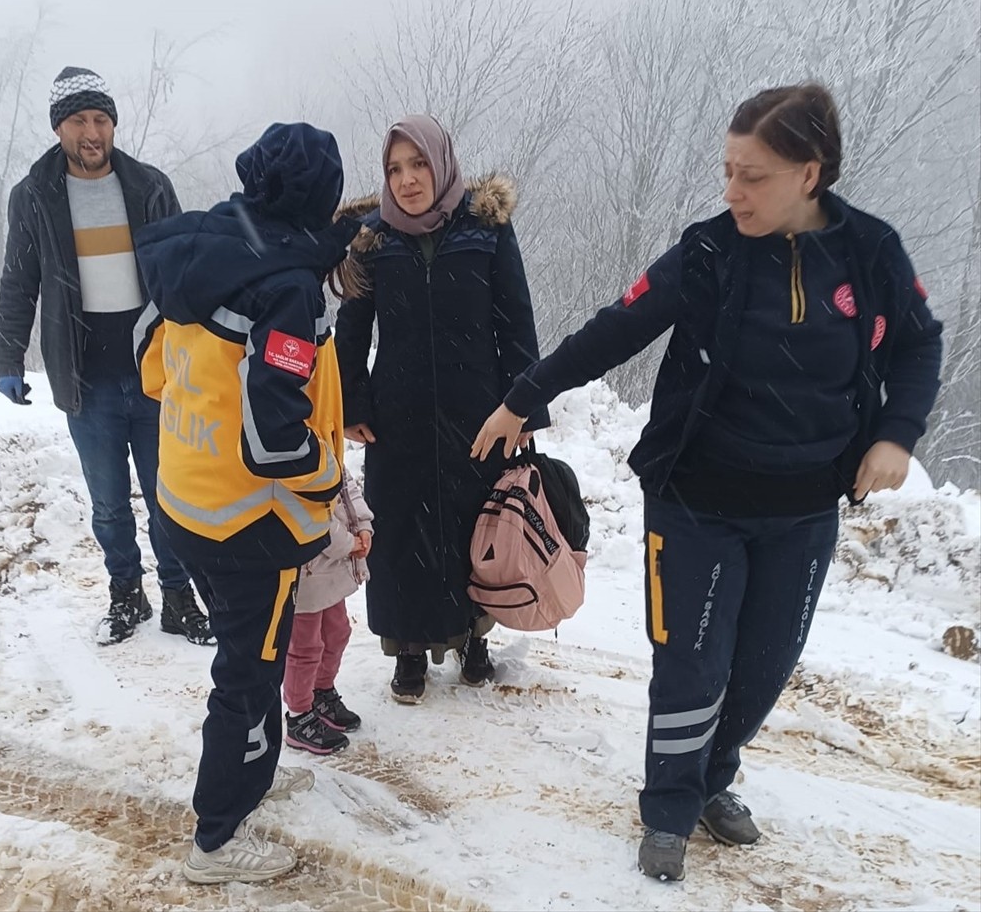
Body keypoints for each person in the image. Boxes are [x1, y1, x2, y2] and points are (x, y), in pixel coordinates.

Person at [471, 83, 943, 882]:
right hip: (694, 500)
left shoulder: (870, 253)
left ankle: (714, 774)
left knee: (764, 664)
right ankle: (669, 806)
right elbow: (615, 327)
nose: (732, 192)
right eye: (727, 171)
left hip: (803, 508)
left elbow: (920, 345)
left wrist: (897, 434)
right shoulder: (709, 253)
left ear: (810, 173)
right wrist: (525, 395)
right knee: (690, 660)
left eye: (751, 175)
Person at [134, 121, 362, 883]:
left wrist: (326, 241)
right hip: (251, 527)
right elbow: (272, 439)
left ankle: (242, 783)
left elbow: (150, 359)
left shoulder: (202, 244)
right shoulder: (288, 291)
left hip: (185, 501)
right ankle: (218, 836)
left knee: (247, 665)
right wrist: (327, 477)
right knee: (248, 676)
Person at [0, 65, 213, 648]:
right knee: (110, 505)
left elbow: (184, 272)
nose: (91, 132)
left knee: (170, 497)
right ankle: (125, 593)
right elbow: (20, 281)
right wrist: (8, 359)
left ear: (112, 125)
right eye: (78, 120)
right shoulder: (34, 196)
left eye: (100, 119)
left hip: (156, 374)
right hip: (84, 378)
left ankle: (177, 596)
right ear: (59, 128)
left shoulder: (149, 187)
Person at [334, 114, 549, 704]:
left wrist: (522, 405)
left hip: (477, 414)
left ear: (442, 163)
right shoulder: (373, 240)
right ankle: (406, 651)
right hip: (396, 414)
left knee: (472, 524)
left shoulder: (486, 228)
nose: (407, 179)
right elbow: (350, 330)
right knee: (401, 529)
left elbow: (515, 320)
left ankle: (474, 638)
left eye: (419, 164)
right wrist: (350, 402)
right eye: (395, 169)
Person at [283, 467, 373, 755]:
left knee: (337, 633)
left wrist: (363, 525)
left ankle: (321, 690)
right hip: (306, 564)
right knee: (305, 646)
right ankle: (298, 714)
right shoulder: (290, 449)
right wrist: (347, 543)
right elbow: (305, 512)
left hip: (332, 565)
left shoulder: (327, 440)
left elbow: (346, 487)